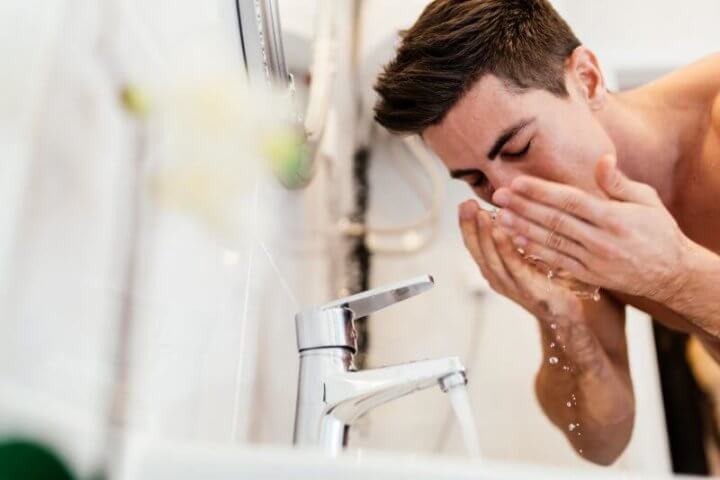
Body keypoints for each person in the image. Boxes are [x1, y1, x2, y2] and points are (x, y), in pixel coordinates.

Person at [373, 0, 720, 465]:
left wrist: (674, 275)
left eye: (519, 147)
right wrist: (561, 323)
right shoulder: (582, 224)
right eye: (477, 180)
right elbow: (600, 440)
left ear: (588, 79)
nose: (507, 195)